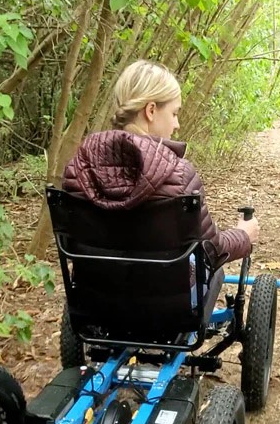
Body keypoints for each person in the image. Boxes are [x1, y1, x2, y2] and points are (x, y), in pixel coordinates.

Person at [61, 60, 260, 279]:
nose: (177, 125)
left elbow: (73, 247)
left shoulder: (77, 171)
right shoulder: (180, 176)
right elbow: (211, 252)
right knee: (217, 274)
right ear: (151, 110)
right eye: (174, 114)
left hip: (94, 302)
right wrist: (244, 234)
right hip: (170, 308)